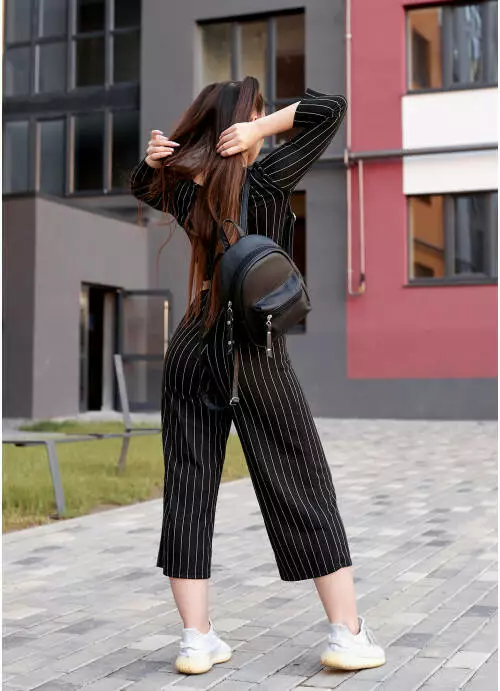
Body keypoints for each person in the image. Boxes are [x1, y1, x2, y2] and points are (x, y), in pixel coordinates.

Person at [130, 77, 385, 676]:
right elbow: (331, 108)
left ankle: (196, 641)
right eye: (257, 119)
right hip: (254, 352)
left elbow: (141, 186)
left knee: (189, 487)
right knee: (301, 479)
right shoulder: (267, 178)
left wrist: (155, 162)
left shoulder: (189, 190)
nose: (263, 131)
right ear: (240, 125)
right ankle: (346, 635)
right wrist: (260, 131)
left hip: (192, 347)